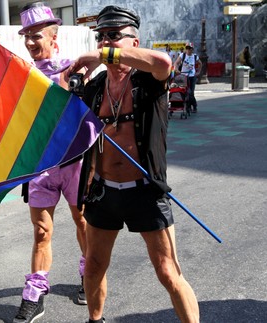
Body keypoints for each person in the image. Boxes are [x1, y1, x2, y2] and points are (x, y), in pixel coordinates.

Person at [65, 5, 199, 322]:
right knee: (94, 266)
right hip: (104, 193)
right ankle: (94, 320)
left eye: (114, 36)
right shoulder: (96, 88)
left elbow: (164, 63)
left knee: (168, 272)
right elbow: (64, 112)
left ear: (133, 43)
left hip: (145, 192)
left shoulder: (148, 82)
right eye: (101, 37)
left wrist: (101, 56)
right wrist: (74, 76)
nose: (105, 41)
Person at [12, 3, 88, 323]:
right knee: (42, 232)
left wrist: (75, 76)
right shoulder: (21, 74)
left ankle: (89, 271)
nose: (30, 42)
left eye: (36, 35)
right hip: (40, 167)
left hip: (74, 163)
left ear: (53, 37)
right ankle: (36, 292)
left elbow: (82, 101)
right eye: (26, 36)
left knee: (83, 222)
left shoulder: (71, 68)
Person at [174, 42, 201, 113]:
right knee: (184, 92)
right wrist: (176, 69)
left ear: (192, 49)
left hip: (192, 76)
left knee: (191, 92)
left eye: (190, 48)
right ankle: (188, 107)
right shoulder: (182, 55)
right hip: (184, 76)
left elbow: (200, 63)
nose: (188, 50)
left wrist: (198, 72)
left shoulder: (195, 57)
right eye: (187, 48)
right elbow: (176, 63)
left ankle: (194, 106)